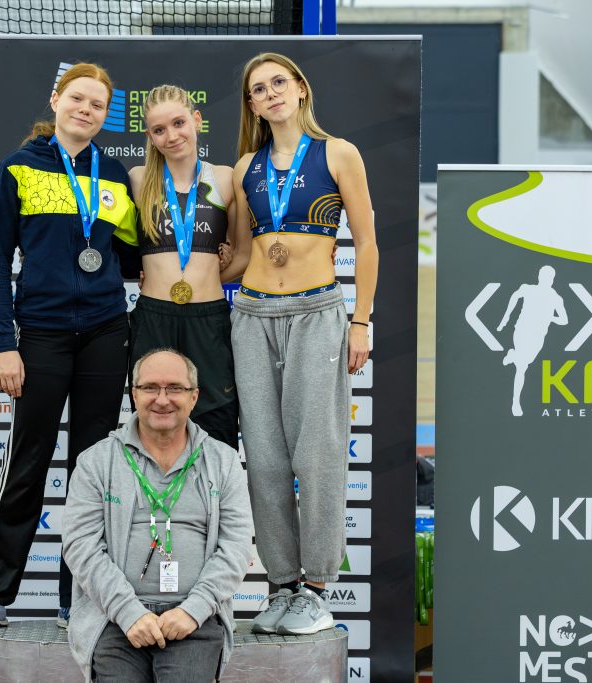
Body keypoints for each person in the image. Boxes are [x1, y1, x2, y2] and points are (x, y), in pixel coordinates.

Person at [0, 62, 140, 630]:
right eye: (78, 99)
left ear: (105, 115)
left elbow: (128, 255)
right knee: (28, 462)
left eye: (97, 104)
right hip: (40, 334)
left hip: (105, 332)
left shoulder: (112, 174)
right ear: (56, 100)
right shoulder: (17, 168)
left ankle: (80, 597)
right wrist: (5, 343)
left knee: (92, 471)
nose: (86, 110)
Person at [227, 52, 378, 635]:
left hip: (318, 313)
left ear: (300, 89)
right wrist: (174, 271)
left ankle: (316, 589)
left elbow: (367, 243)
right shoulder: (246, 167)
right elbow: (242, 254)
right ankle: (282, 586)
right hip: (252, 316)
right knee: (264, 460)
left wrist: (360, 321)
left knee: (316, 455)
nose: (270, 94)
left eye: (278, 83)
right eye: (258, 89)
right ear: (251, 105)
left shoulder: (338, 153)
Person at [62, 349, 253, 683]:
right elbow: (82, 547)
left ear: (194, 397)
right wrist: (128, 612)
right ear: (134, 394)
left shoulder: (223, 461)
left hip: (195, 618)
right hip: (113, 617)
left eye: (175, 388)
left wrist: (193, 610)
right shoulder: (95, 462)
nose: (162, 399)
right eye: (150, 387)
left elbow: (235, 548)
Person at [128, 84, 243, 449]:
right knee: (152, 421)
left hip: (209, 318)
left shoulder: (224, 178)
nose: (172, 135)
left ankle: (215, 489)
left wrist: (211, 276)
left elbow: (243, 253)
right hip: (153, 316)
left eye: (179, 123)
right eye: (159, 130)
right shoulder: (138, 179)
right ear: (150, 135)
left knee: (217, 422)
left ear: (197, 120)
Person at [497, 265, 568, 416]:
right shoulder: (528, 289)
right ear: (539, 277)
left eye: (549, 278)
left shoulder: (555, 298)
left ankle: (512, 355)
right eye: (544, 276)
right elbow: (514, 296)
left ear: (552, 280)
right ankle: (516, 403)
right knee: (522, 367)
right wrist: (505, 318)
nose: (546, 280)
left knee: (525, 361)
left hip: (538, 336)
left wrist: (551, 318)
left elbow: (564, 320)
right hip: (522, 330)